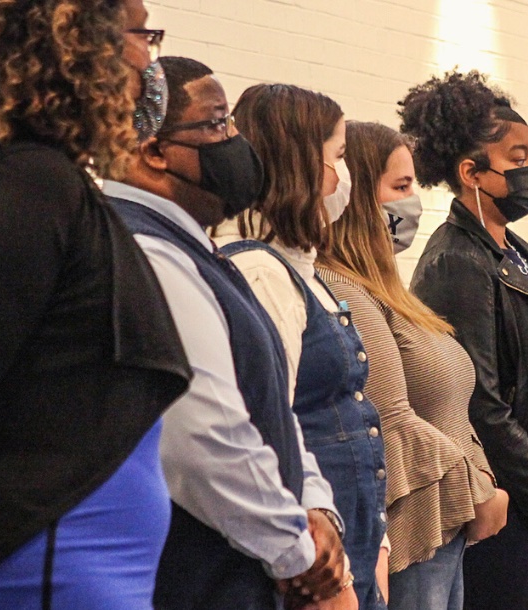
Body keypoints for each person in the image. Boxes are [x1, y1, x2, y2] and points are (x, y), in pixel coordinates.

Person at [0, 1, 192, 609]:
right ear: (79, 41)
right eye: (141, 35)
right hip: (40, 564)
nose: (147, 59)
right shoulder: (28, 190)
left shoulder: (58, 187)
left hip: (86, 565)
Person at [104, 56, 354, 610]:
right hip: (204, 578)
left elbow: (272, 409)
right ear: (153, 151)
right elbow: (202, 437)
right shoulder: (146, 251)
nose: (235, 143)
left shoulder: (195, 246)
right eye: (218, 124)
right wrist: (296, 550)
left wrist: (315, 509)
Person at [399, 69, 528, 610]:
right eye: (517, 159)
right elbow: (483, 406)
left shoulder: (514, 250)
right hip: (514, 511)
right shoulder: (456, 262)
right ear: (471, 171)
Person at [317, 120, 510, 610]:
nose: (412, 203)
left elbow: (453, 408)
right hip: (410, 526)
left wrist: (480, 479)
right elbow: (391, 418)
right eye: (399, 187)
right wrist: (481, 489)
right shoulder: (341, 289)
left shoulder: (389, 291)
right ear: (357, 195)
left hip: (445, 519)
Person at [222, 83, 387, 610]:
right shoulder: (261, 272)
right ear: (298, 164)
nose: (347, 180)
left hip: (344, 542)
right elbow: (270, 426)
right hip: (309, 563)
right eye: (338, 158)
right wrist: (317, 566)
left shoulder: (301, 270)